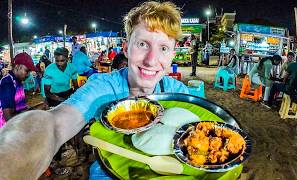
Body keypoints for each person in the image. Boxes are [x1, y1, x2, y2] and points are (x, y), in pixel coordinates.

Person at [0, 1, 188, 179]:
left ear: (172, 55)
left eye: (163, 48)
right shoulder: (104, 88)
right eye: (142, 44)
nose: (151, 60)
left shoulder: (181, 94)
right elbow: (56, 124)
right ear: (126, 48)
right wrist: (12, 155)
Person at [0, 53, 36, 128]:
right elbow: (9, 118)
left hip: (16, 125)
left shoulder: (17, 80)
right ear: (17, 67)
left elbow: (18, 104)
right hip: (6, 130)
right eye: (27, 71)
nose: (28, 75)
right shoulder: (8, 84)